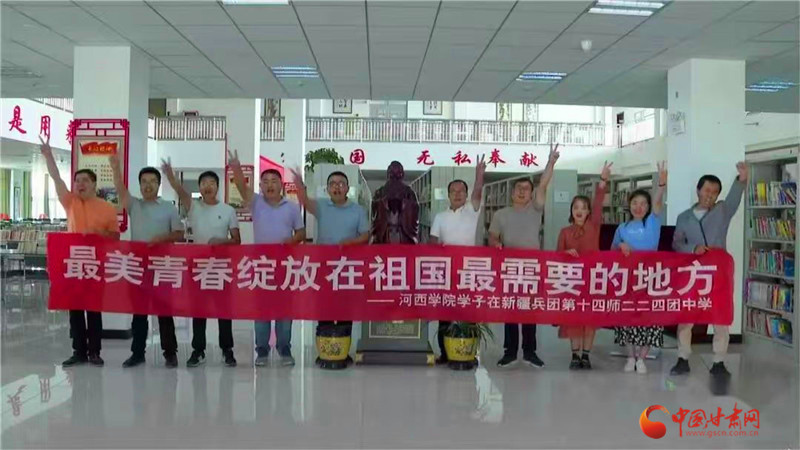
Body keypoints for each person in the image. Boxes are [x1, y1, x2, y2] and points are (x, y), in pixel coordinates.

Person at [40, 134, 119, 367]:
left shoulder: (107, 208)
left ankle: (95, 351)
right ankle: (79, 351)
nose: (80, 184)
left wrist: (97, 235)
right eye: (77, 181)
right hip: (73, 263)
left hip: (95, 264)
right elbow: (56, 178)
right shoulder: (70, 202)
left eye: (85, 180)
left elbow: (115, 237)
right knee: (74, 309)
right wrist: (48, 155)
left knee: (93, 309)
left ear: (94, 184)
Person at [228, 150, 306, 368]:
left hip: (285, 267)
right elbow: (241, 187)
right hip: (261, 266)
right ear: (260, 186)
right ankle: (261, 350)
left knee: (284, 309)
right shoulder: (256, 202)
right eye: (266, 182)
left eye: (274, 181)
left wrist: (291, 241)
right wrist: (236, 168)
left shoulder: (292, 207)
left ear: (281, 185)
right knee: (261, 310)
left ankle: (284, 348)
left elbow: (301, 233)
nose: (270, 185)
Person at [670, 163, 749, 377]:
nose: (710, 195)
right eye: (706, 190)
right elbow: (677, 243)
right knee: (686, 314)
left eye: (714, 192)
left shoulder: (723, 210)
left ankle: (719, 361)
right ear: (698, 190)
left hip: (717, 273)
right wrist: (692, 248)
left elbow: (734, 198)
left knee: (720, 315)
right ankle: (683, 358)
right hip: (693, 272)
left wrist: (741, 179)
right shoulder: (684, 217)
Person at [162, 160, 241, 368]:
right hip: (198, 267)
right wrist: (170, 175)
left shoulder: (228, 210)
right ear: (199, 187)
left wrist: (221, 241)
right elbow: (179, 190)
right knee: (199, 310)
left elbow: (236, 240)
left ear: (218, 187)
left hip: (221, 268)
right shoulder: (193, 206)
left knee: (224, 310)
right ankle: (198, 350)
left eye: (212, 183)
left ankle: (227, 349)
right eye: (204, 183)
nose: (208, 186)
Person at [109, 154, 184, 368]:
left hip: (162, 267)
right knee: (139, 312)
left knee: (164, 312)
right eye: (144, 182)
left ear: (159, 185)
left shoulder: (169, 207)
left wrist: (162, 238)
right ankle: (137, 353)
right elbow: (120, 189)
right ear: (140, 185)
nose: (148, 185)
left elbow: (179, 234)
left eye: (152, 181)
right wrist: (115, 168)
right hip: (138, 267)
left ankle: (170, 352)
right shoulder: (134, 205)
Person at [289, 167, 369, 368]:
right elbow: (305, 202)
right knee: (324, 307)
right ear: (327, 189)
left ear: (347, 188)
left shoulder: (358, 210)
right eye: (332, 184)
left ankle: (342, 351)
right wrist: (299, 185)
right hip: (323, 267)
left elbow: (365, 236)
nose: (337, 188)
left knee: (344, 309)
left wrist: (350, 243)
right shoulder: (322, 206)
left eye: (341, 184)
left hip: (347, 268)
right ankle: (325, 350)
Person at [489, 143, 560, 369]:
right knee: (510, 309)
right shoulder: (500, 214)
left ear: (531, 194)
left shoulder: (535, 209)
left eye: (526, 189)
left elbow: (544, 184)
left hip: (531, 268)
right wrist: (496, 243)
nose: (522, 191)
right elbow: (492, 237)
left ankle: (530, 352)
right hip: (509, 267)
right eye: (518, 188)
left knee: (530, 310)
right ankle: (510, 352)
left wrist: (550, 162)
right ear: (512, 192)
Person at [429, 155, 486, 365]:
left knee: (468, 310)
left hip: (468, 270)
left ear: (466, 194)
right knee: (445, 311)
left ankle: (469, 352)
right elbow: (433, 241)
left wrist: (479, 175)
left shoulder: (472, 210)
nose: (457, 194)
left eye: (461, 191)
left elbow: (478, 191)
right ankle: (445, 353)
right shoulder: (440, 217)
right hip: (446, 271)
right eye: (453, 191)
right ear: (448, 195)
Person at [611, 162, 667, 375]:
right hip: (627, 281)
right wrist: (620, 246)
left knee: (650, 319)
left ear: (648, 207)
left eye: (643, 203)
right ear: (629, 205)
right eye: (635, 203)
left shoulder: (653, 221)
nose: (638, 207)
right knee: (625, 318)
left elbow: (658, 201)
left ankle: (642, 358)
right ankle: (630, 356)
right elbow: (610, 253)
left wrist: (661, 185)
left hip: (650, 279)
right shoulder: (622, 228)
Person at [557, 161, 612, 370]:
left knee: (589, 319)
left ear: (588, 211)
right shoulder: (564, 232)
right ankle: (575, 355)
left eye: (583, 207)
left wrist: (603, 181)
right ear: (571, 211)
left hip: (591, 281)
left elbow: (599, 203)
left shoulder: (594, 226)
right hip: (571, 282)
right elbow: (556, 257)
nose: (579, 211)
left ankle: (586, 355)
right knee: (573, 319)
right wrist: (565, 254)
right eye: (576, 207)